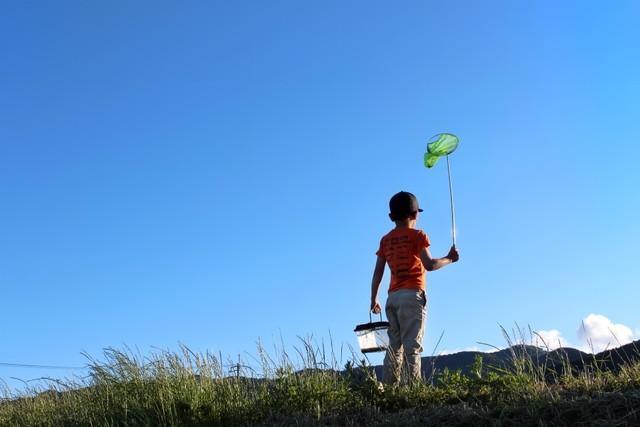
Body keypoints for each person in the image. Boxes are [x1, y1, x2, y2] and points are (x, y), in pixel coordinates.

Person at [370, 191, 459, 385]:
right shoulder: (418, 236)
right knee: (412, 346)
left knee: (394, 346)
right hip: (413, 296)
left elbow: (378, 273)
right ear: (415, 214)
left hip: (392, 299)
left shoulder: (385, 240)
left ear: (391, 217)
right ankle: (412, 389)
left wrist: (373, 299)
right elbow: (430, 264)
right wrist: (449, 259)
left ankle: (389, 387)